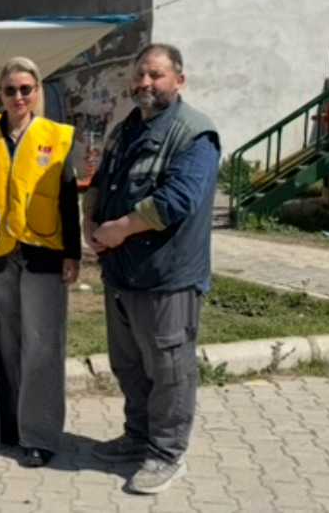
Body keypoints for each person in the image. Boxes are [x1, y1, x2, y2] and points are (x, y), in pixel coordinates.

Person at [84, 43, 220, 495]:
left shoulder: (195, 133)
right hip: (122, 273)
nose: (145, 82)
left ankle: (166, 453)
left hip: (167, 277)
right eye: (140, 74)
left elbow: (177, 200)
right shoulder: (127, 128)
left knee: (169, 368)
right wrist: (90, 218)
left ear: (178, 81)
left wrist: (119, 228)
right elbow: (102, 180)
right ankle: (137, 436)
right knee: (128, 363)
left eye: (156, 75)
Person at [0, 57, 81, 468]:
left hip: (43, 253)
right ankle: (10, 425)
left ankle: (40, 435)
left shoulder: (56, 136)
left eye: (25, 89)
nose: (17, 96)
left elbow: (68, 198)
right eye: (10, 89)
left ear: (37, 92)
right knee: (8, 344)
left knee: (43, 345)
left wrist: (73, 253)